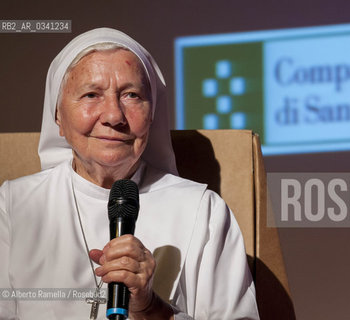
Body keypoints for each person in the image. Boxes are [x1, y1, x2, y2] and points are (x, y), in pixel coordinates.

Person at [0, 28, 259, 320]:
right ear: (58, 116)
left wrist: (152, 309)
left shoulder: (202, 208)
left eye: (131, 95)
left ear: (152, 115)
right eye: (91, 94)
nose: (113, 116)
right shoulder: (14, 204)